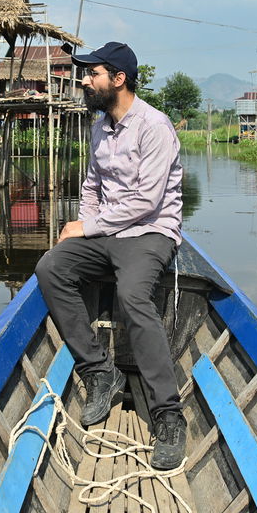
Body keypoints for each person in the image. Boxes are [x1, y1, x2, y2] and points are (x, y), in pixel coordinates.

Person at [34, 41, 187, 470]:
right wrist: (83, 227)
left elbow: (145, 201)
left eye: (93, 74)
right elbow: (92, 186)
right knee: (51, 267)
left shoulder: (154, 126)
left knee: (133, 295)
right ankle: (100, 370)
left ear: (118, 79)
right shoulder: (99, 127)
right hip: (108, 232)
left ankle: (168, 414)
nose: (84, 80)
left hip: (149, 232)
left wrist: (88, 227)